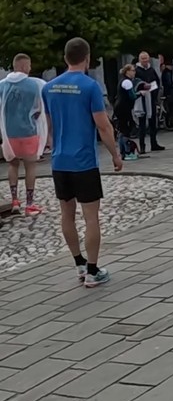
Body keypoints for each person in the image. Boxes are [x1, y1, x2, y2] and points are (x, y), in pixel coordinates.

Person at [43, 38, 122, 286]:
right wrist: (115, 154)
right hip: (84, 161)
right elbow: (103, 125)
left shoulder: (49, 88)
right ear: (87, 58)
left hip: (60, 160)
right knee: (91, 217)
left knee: (66, 214)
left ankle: (78, 263)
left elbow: (49, 126)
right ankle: (93, 270)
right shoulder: (90, 86)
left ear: (65, 58)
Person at [0, 54, 48, 215]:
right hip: (28, 132)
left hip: (9, 133)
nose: (30, 68)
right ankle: (29, 204)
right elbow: (39, 109)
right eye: (29, 65)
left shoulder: (2, 85)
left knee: (12, 165)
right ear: (23, 66)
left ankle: (14, 200)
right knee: (30, 166)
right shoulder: (35, 85)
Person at [132, 51, 164, 152]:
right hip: (142, 99)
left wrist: (155, 91)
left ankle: (154, 143)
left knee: (153, 122)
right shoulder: (137, 70)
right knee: (142, 123)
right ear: (139, 60)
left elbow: (157, 81)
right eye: (143, 59)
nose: (145, 60)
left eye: (146, 58)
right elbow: (135, 84)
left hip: (152, 98)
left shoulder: (151, 69)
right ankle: (142, 146)